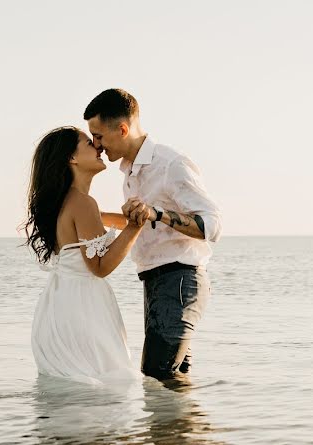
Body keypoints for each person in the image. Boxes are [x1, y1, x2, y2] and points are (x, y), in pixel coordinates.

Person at [85, 89, 222, 381]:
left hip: (180, 280)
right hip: (155, 282)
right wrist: (88, 215)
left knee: (157, 375)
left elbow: (211, 224)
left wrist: (158, 213)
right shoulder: (130, 172)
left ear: (122, 129)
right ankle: (179, 428)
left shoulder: (170, 164)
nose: (96, 145)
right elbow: (142, 222)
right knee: (173, 381)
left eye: (98, 136)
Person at [23, 126, 143, 384]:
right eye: (89, 143)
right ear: (72, 158)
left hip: (60, 306)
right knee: (104, 387)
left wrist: (148, 216)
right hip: (83, 308)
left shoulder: (67, 202)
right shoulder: (83, 203)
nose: (98, 147)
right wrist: (136, 226)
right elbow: (100, 266)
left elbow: (102, 222)